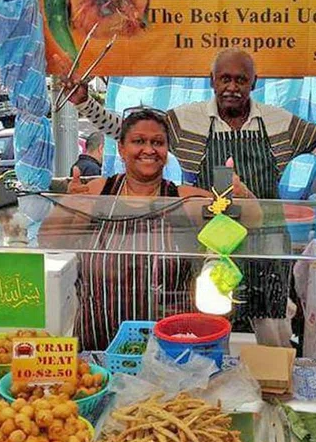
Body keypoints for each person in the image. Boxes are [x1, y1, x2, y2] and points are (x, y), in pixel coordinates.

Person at [63, 48, 316, 339]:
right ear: (212, 80)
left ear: (255, 81)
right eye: (225, 79)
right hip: (211, 243)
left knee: (272, 331)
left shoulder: (278, 122)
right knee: (212, 324)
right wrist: (84, 103)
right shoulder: (188, 119)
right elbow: (128, 130)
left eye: (240, 79)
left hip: (265, 242)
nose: (232, 87)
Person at [53, 108, 253, 351]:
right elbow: (50, 240)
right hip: (99, 348)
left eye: (157, 142)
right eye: (139, 141)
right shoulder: (97, 192)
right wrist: (69, 205)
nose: (149, 149)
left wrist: (241, 194)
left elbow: (251, 220)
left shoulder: (184, 199)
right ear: (121, 148)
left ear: (167, 151)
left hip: (170, 351)